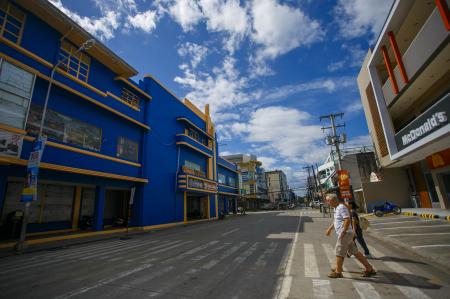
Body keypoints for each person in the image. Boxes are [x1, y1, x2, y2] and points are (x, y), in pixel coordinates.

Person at [325, 193, 376, 278]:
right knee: (354, 252)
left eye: (328, 201)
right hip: (346, 233)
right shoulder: (336, 208)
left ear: (333, 200)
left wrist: (343, 231)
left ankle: (338, 272)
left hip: (345, 233)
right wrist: (330, 229)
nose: (327, 203)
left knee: (339, 252)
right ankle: (369, 268)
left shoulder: (341, 207)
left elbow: (347, 219)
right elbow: (336, 220)